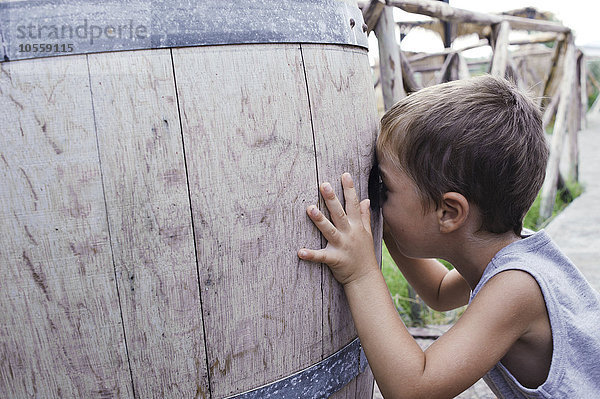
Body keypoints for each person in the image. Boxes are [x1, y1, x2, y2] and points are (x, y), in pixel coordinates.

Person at [297, 75, 600, 398]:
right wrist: (378, 224)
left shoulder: (518, 288)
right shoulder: (513, 253)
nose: (378, 199)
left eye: (385, 189)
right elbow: (439, 293)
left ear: (450, 213)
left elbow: (413, 389)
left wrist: (359, 273)